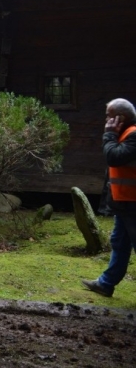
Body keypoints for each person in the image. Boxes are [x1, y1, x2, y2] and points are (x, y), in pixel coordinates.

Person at [82, 98, 136, 297]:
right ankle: (106, 284)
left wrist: (109, 135)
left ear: (120, 118)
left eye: (109, 116)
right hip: (125, 204)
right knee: (119, 243)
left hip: (133, 204)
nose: (106, 120)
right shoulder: (125, 135)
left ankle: (106, 283)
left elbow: (113, 157)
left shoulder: (133, 135)